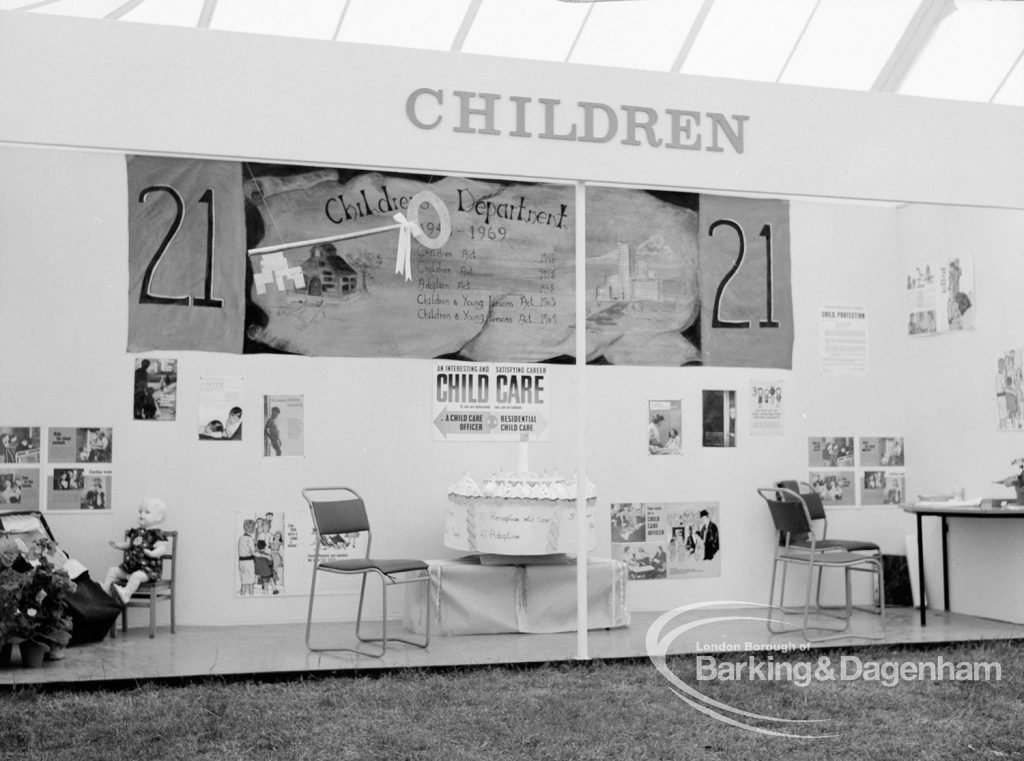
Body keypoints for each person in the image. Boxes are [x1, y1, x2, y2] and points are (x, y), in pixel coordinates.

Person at [104, 497, 170, 605]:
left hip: (148, 571)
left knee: (136, 576)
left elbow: (162, 548)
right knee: (112, 570)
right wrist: (118, 545)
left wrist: (153, 553)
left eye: (147, 512)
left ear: (158, 517)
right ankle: (105, 591)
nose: (141, 514)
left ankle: (126, 594)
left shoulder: (157, 534)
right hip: (130, 567)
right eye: (140, 511)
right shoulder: (136, 532)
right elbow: (129, 545)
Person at [238, 519, 257, 596]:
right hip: (249, 562)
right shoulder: (250, 539)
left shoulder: (241, 538)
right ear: (251, 528)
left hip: (241, 562)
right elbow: (253, 551)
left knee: (244, 583)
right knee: (251, 583)